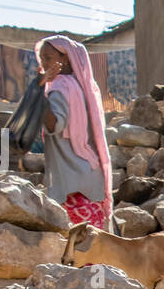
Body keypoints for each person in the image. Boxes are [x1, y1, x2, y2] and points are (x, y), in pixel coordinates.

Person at [34, 34, 113, 231]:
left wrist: (38, 91)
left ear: (65, 59)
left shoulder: (59, 87)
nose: (43, 63)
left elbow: (55, 125)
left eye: (49, 58)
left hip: (72, 185)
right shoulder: (77, 86)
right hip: (89, 176)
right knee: (93, 247)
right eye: (42, 58)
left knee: (76, 248)